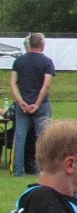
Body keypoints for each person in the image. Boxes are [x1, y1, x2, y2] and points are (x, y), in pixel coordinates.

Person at [10, 32, 55, 178]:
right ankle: (40, 169)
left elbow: (12, 83)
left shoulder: (19, 61)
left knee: (20, 136)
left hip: (22, 105)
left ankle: (17, 170)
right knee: (42, 138)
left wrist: (20, 101)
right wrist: (36, 103)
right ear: (41, 44)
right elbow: (46, 86)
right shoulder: (47, 62)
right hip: (40, 106)